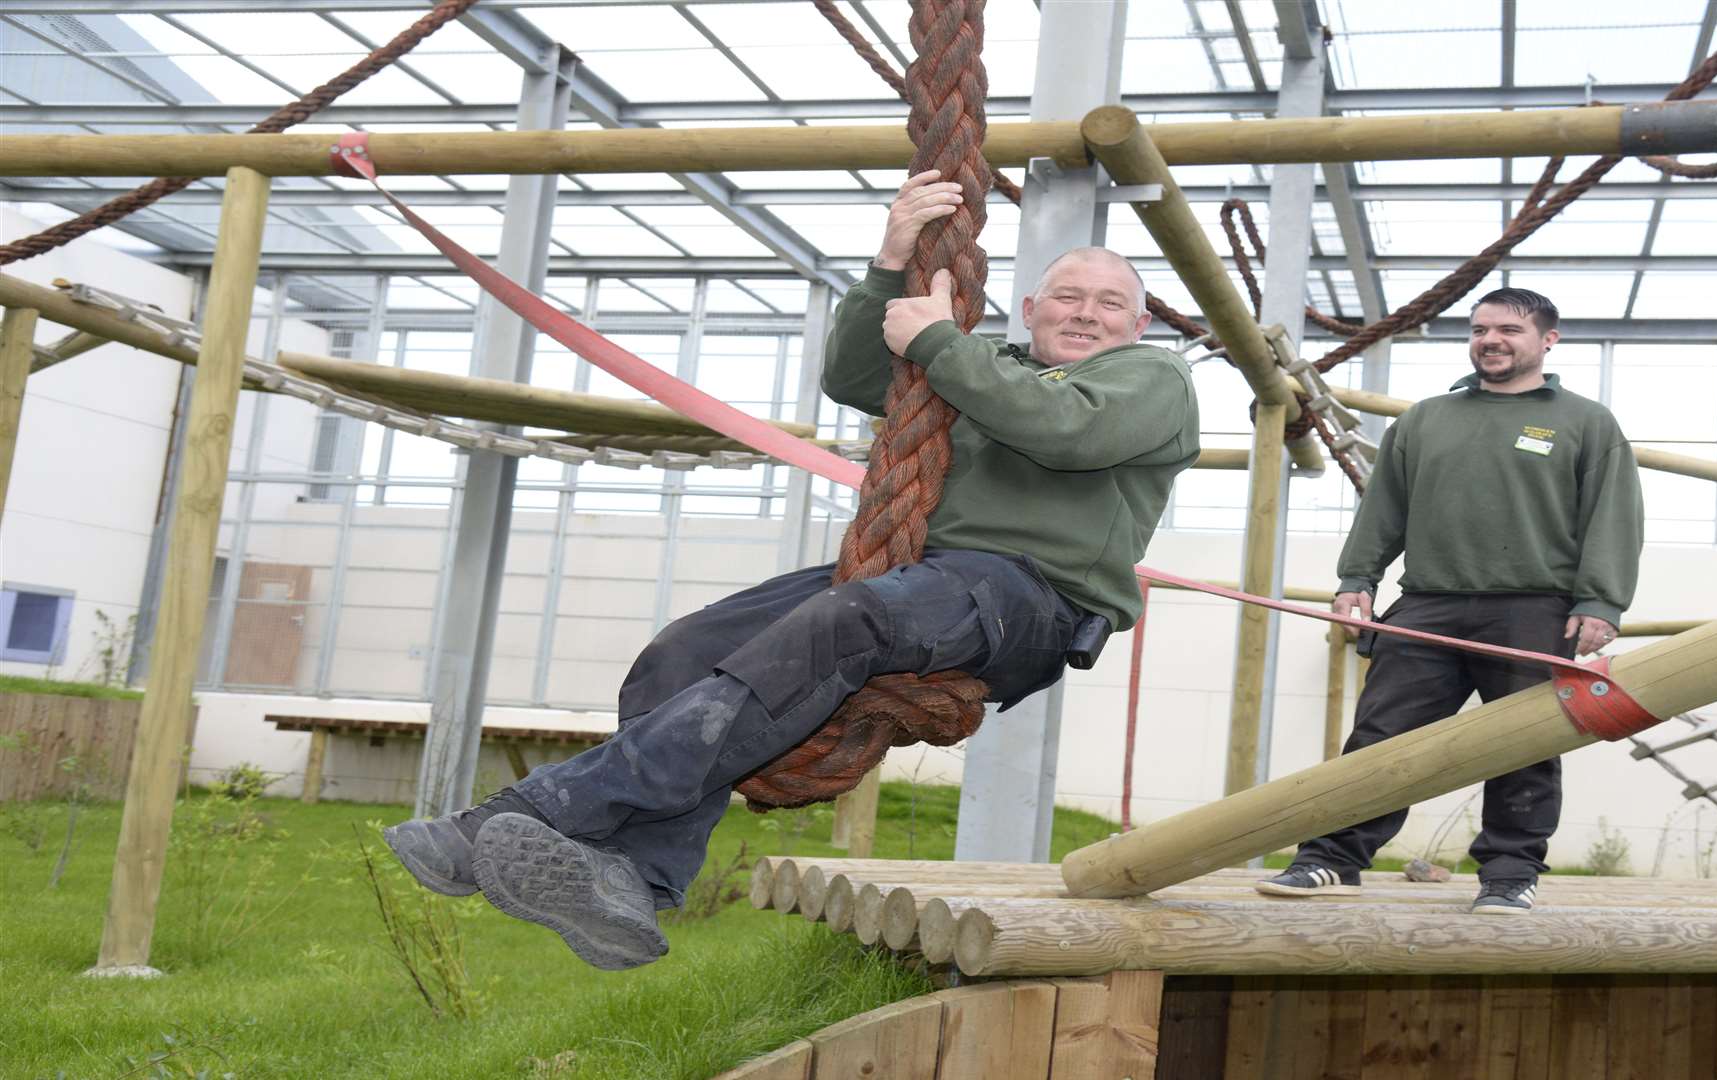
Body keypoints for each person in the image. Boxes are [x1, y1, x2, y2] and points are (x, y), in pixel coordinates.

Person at [383, 170, 1201, 969]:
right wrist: (890, 262)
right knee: (686, 649)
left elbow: (1068, 433)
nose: (1086, 315)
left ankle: (532, 813)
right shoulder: (984, 363)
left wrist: (941, 341)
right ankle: (636, 877)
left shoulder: (1151, 378)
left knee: (851, 621)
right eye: (1068, 296)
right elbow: (855, 378)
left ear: (1137, 324)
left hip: (1030, 599)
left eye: (1109, 304)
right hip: (923, 577)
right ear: (1031, 308)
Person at [1255, 287, 1642, 915]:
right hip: (1427, 604)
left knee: (1524, 743)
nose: (1490, 340)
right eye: (1480, 328)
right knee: (1381, 737)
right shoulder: (1426, 419)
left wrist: (1601, 602)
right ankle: (1331, 858)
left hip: (1534, 608)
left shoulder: (1585, 422)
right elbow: (1384, 509)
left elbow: (1613, 517)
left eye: (1509, 330)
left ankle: (1510, 874)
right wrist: (1357, 580)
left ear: (1548, 341)